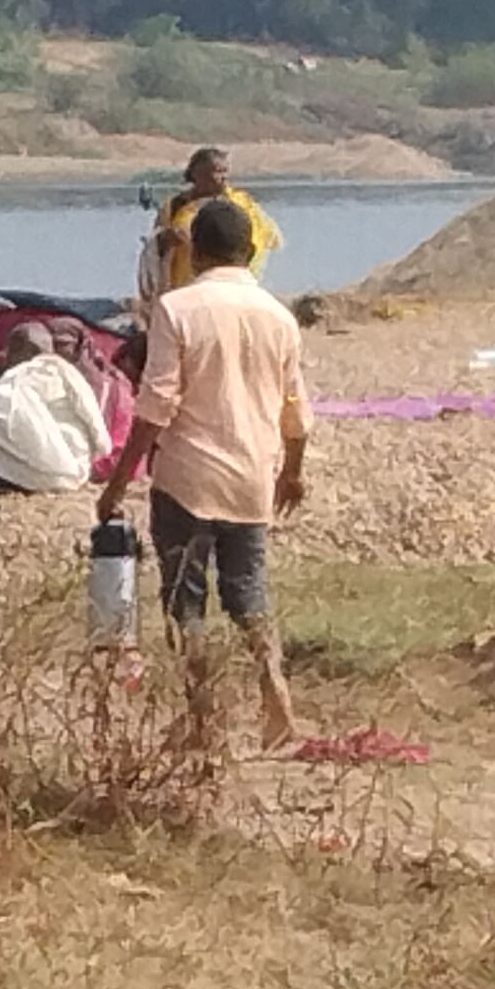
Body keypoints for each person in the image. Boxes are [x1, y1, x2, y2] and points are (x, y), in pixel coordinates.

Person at [100, 198, 313, 753]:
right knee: (248, 594)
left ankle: (201, 718)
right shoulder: (279, 317)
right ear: (249, 250)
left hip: (188, 478)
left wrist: (118, 484)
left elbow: (156, 407)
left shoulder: (178, 309)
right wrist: (291, 474)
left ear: (195, 252)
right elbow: (296, 414)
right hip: (251, 477)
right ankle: (276, 700)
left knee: (184, 600)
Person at [0, 322, 114, 495]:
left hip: (48, 474)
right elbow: (99, 434)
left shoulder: (25, 373)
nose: (7, 359)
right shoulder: (70, 374)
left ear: (29, 350)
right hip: (80, 470)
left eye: (11, 352)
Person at [151, 147, 282, 296]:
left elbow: (261, 234)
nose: (223, 177)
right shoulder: (175, 206)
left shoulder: (240, 202)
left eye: (225, 171)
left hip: (231, 282)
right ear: (196, 173)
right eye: (217, 171)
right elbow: (154, 246)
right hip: (185, 284)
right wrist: (166, 239)